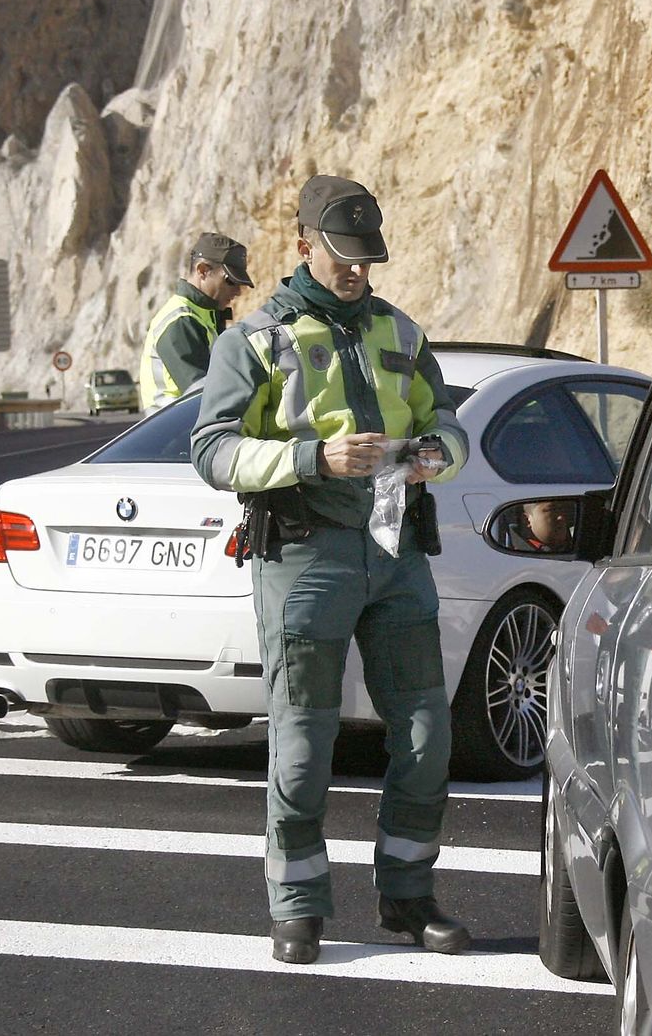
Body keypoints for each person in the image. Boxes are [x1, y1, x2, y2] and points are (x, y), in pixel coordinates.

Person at [191, 175, 470, 965]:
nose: (356, 272)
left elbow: (447, 424)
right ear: (304, 244)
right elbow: (210, 451)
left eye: (366, 260)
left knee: (425, 737)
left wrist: (432, 458)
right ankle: (298, 905)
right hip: (304, 556)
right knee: (304, 743)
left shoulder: (402, 332)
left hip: (395, 553)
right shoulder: (251, 338)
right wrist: (312, 456)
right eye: (342, 258)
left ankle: (409, 899)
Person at [139, 231, 254, 411]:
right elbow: (202, 394)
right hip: (176, 431)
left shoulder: (204, 314)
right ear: (202, 271)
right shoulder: (180, 321)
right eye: (230, 281)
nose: (238, 291)